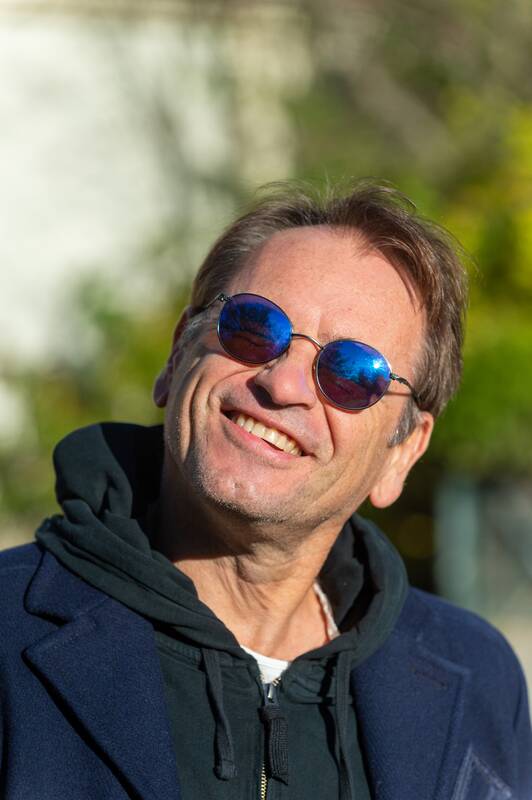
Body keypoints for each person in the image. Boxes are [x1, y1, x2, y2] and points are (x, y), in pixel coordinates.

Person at [1, 182, 530, 800]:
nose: (282, 385)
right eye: (253, 326)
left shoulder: (480, 684)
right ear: (178, 355)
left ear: (402, 451)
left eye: (352, 372)